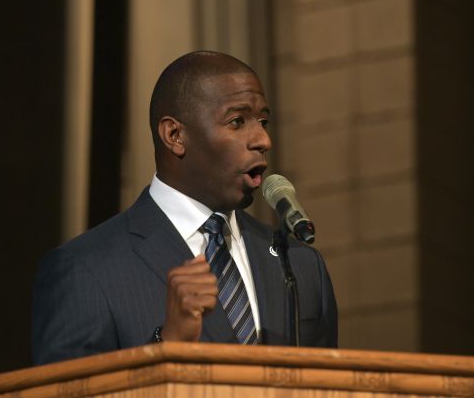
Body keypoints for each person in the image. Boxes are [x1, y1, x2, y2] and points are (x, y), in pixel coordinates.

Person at [32, 51, 337, 364]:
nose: (263, 139)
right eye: (237, 121)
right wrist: (168, 344)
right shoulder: (85, 269)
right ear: (175, 135)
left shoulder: (299, 264)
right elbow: (71, 386)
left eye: (263, 122)